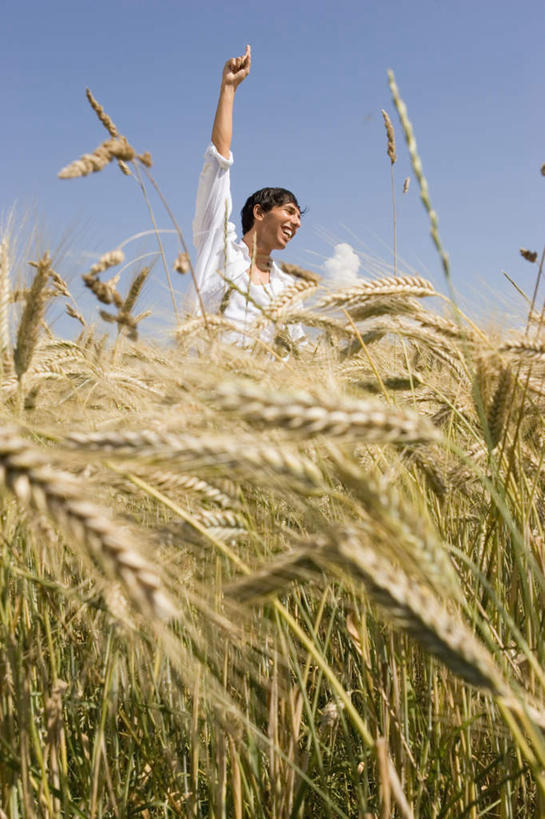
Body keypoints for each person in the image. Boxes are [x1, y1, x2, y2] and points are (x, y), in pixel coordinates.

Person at [188, 45, 305, 347]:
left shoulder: (288, 288)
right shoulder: (218, 248)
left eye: (298, 217)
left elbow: (300, 355)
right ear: (259, 212)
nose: (297, 222)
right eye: (290, 211)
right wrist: (229, 88)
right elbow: (218, 164)